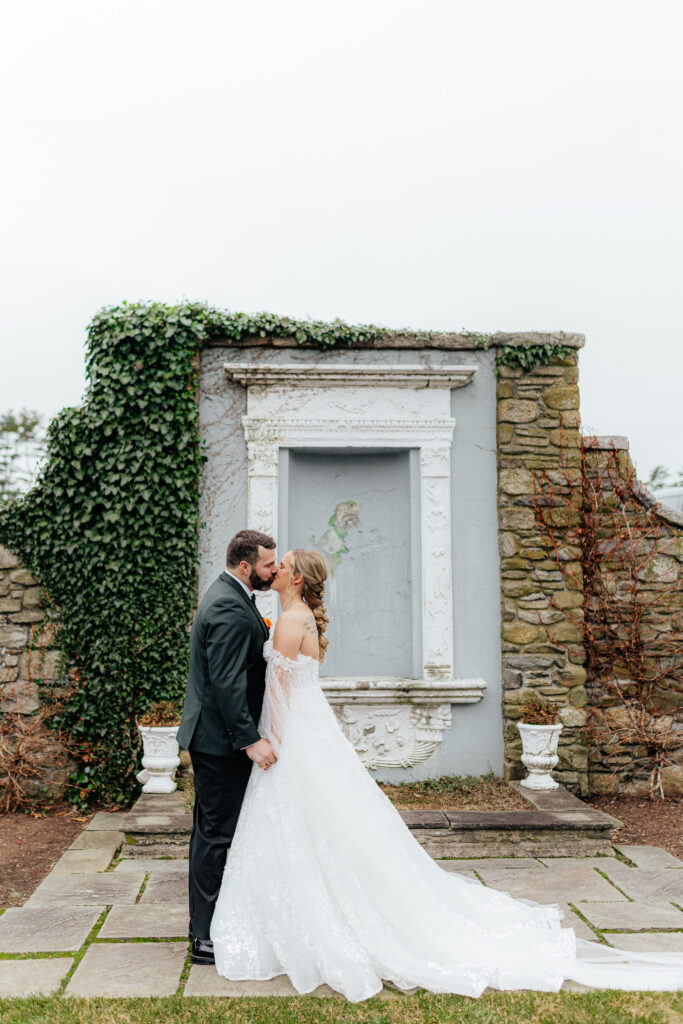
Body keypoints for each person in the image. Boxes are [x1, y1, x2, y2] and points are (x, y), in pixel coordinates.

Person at [209, 548, 683, 1001]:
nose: (274, 570)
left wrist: (271, 740)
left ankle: (313, 923)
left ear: (294, 578)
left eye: (282, 565)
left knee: (300, 824)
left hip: (296, 733)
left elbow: (282, 693)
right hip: (312, 730)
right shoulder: (299, 618)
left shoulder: (291, 620)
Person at [176, 529, 278, 966]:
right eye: (268, 564)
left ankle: (210, 923)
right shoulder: (229, 609)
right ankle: (203, 938)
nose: (274, 570)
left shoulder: (227, 595)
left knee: (211, 833)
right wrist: (251, 740)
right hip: (220, 743)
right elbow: (226, 685)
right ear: (244, 567)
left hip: (214, 738)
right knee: (215, 837)